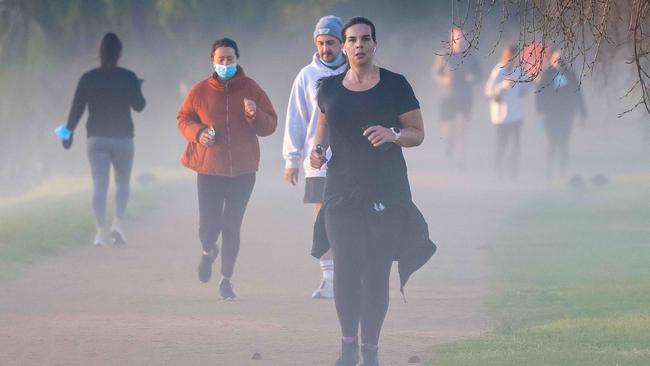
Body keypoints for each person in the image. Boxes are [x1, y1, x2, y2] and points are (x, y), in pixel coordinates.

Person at [310, 17, 436, 366]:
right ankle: (348, 346)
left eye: (366, 39)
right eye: (352, 40)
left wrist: (393, 133)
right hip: (341, 192)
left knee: (377, 272)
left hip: (386, 191)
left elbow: (417, 133)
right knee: (347, 268)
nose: (359, 45)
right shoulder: (329, 88)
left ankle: (371, 351)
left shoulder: (395, 85)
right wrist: (316, 150)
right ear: (344, 46)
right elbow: (323, 124)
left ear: (374, 44)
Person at [177, 38, 277, 301]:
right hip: (209, 169)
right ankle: (208, 250)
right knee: (208, 226)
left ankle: (226, 280)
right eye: (220, 59)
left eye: (229, 59)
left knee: (232, 225)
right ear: (213, 61)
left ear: (237, 59)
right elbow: (183, 118)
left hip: (243, 171)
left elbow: (271, 125)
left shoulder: (251, 89)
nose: (225, 63)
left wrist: (255, 114)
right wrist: (198, 134)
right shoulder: (200, 91)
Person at [283, 15, 348, 299]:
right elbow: (296, 119)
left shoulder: (356, 72)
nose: (325, 48)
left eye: (331, 42)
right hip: (317, 161)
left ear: (343, 43)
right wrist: (291, 159)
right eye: (321, 43)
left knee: (350, 218)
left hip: (352, 160)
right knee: (323, 219)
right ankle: (330, 278)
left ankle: (352, 274)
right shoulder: (306, 76)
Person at [61, 32, 146, 246]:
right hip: (123, 138)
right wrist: (138, 86)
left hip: (96, 138)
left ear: (99, 53)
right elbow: (139, 106)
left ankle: (100, 232)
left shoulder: (88, 78)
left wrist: (67, 134)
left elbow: (76, 109)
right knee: (123, 181)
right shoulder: (128, 77)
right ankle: (118, 222)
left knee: (100, 183)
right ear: (119, 53)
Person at [432, 27, 482, 169]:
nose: (460, 40)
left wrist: (473, 79)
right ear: (451, 39)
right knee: (447, 131)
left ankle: (460, 161)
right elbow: (436, 74)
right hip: (447, 97)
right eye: (457, 37)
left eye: (462, 37)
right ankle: (449, 144)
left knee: (461, 129)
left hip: (465, 98)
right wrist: (444, 80)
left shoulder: (471, 56)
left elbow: (480, 74)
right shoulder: (443, 55)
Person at [535, 49, 586, 179]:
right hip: (551, 115)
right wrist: (540, 111)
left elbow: (578, 93)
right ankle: (549, 170)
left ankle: (562, 171)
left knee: (564, 143)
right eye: (556, 58)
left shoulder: (570, 74)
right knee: (552, 142)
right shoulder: (547, 74)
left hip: (567, 114)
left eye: (561, 58)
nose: (559, 61)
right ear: (551, 59)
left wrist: (583, 112)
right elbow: (539, 94)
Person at [484, 45, 529, 179]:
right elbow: (488, 91)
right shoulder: (498, 71)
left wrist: (528, 86)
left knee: (516, 145)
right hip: (501, 117)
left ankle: (513, 172)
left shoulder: (518, 70)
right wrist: (502, 86)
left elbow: (524, 88)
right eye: (511, 57)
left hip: (516, 115)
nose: (514, 60)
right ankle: (498, 170)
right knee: (502, 144)